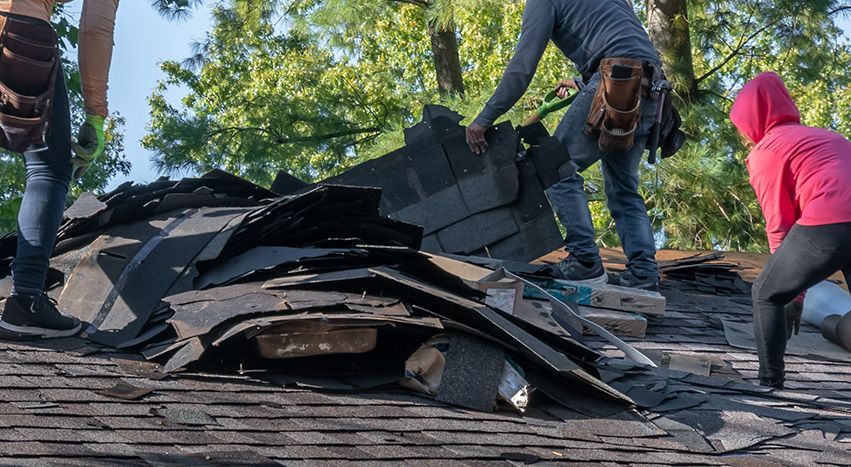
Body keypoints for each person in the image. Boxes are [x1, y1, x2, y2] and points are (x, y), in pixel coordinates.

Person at [466, 0, 664, 291]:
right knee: (623, 187)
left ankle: (584, 262)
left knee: (555, 167)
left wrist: (484, 119)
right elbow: (624, 42)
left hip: (616, 81)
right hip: (652, 90)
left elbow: (522, 69)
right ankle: (644, 272)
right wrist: (583, 79)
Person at [0, 0, 120, 338]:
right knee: (48, 169)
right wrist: (96, 115)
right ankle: (26, 301)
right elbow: (95, 26)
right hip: (20, 30)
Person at [729, 71, 851, 389]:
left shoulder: (767, 150)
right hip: (839, 217)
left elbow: (779, 226)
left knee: (766, 294)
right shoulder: (827, 137)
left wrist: (792, 298)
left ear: (754, 119)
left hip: (831, 221)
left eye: (741, 127)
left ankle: (770, 382)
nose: (744, 137)